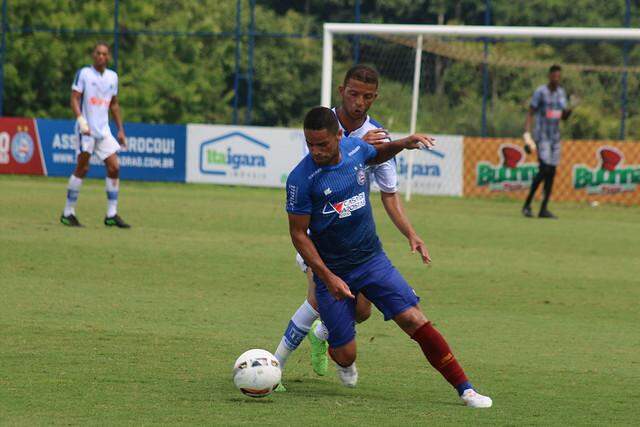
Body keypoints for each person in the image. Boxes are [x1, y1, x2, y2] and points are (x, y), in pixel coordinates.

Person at [285, 106, 492, 408]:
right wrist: (327, 278)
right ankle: (331, 343)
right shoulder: (301, 180)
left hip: (371, 260)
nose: (315, 151)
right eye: (310, 144)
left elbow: (376, 155)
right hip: (332, 271)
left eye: (323, 144)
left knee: (413, 318)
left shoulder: (355, 147)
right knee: (346, 355)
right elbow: (298, 235)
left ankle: (466, 389)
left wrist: (403, 143)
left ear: (338, 136)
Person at [273, 66, 431, 388]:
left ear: (375, 97)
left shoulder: (378, 135)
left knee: (361, 311)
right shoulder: (322, 124)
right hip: (322, 236)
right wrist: (352, 144)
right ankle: (273, 367)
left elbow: (389, 195)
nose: (359, 102)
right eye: (354, 94)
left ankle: (323, 335)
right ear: (341, 90)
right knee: (319, 299)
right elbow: (311, 167)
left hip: (357, 240)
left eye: (367, 96)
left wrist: (410, 233)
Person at [60, 42, 130, 228]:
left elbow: (114, 104)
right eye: (98, 53)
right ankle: (68, 213)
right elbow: (74, 98)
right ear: (93, 55)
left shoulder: (112, 77)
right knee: (83, 168)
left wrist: (120, 130)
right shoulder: (84, 74)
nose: (101, 56)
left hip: (103, 130)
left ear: (108, 57)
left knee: (114, 167)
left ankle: (111, 214)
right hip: (87, 130)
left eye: (104, 54)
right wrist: (81, 120)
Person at [522, 64, 573, 219]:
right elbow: (531, 112)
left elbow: (563, 116)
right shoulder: (540, 92)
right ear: (549, 76)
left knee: (551, 171)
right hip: (542, 136)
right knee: (544, 169)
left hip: (555, 138)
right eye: (554, 76)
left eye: (559, 77)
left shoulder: (561, 93)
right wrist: (527, 134)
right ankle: (527, 204)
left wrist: (568, 113)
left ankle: (543, 208)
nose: (557, 79)